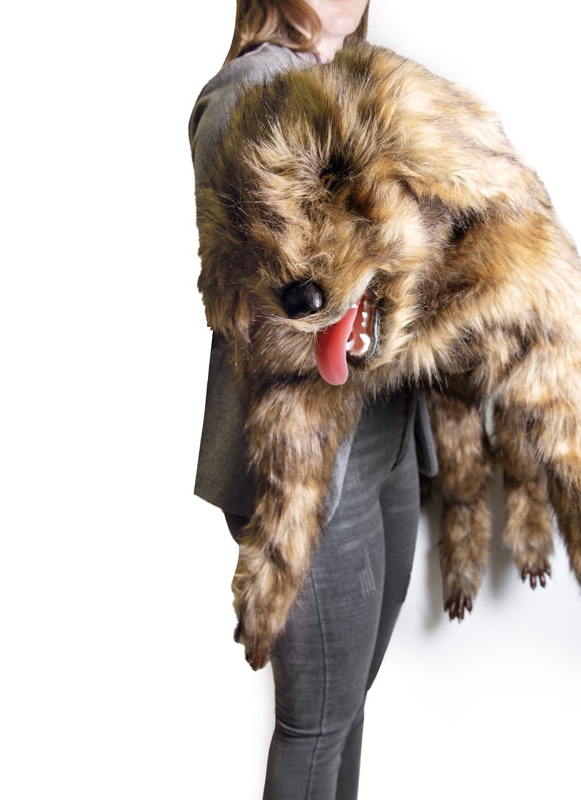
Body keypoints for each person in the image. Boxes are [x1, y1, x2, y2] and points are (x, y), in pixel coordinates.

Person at [189, 2, 437, 797]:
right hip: (306, 462)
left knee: (347, 703)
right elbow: (267, 288)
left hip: (385, 437)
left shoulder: (362, 77)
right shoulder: (248, 91)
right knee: (315, 723)